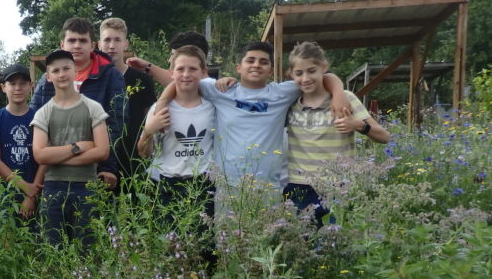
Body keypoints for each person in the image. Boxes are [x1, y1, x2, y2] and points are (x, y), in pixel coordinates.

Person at [144, 41, 349, 197]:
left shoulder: (284, 92)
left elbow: (324, 76)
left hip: (269, 186)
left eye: (263, 62)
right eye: (250, 60)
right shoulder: (221, 89)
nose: (256, 65)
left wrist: (338, 92)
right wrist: (161, 102)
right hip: (227, 186)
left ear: (271, 69)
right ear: (238, 67)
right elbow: (182, 80)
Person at [285, 41, 390, 226]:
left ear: (323, 68)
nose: (305, 78)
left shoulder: (345, 99)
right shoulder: (291, 102)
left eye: (311, 71)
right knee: (303, 242)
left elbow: (384, 137)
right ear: (291, 74)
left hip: (337, 185)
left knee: (336, 241)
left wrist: (357, 125)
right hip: (298, 184)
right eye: (298, 73)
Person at [136, 44, 217, 267]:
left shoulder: (213, 107)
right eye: (180, 69)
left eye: (192, 69)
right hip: (166, 187)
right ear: (171, 73)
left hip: (202, 185)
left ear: (203, 72)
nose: (186, 74)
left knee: (204, 252)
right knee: (170, 254)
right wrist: (148, 130)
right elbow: (143, 153)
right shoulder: (159, 108)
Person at [30, 17, 125, 190]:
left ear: (93, 45)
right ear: (62, 44)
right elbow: (35, 120)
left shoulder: (111, 76)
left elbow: (116, 124)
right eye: (71, 40)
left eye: (83, 40)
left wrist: (108, 167)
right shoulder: (47, 80)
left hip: (94, 167)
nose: (77, 45)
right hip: (53, 169)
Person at [31, 50, 111, 247]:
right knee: (54, 249)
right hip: (53, 187)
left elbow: (102, 151)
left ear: (76, 70)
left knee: (87, 249)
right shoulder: (43, 113)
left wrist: (56, 157)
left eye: (66, 68)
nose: (62, 74)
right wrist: (78, 147)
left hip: (86, 187)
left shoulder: (93, 108)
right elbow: (39, 154)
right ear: (48, 77)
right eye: (55, 71)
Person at [98, 17, 156, 184]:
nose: (112, 45)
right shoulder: (94, 81)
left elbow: (149, 118)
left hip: (135, 160)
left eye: (117, 40)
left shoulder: (142, 80)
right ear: (98, 44)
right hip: (103, 162)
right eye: (107, 40)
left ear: (126, 44)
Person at [0, 64, 42, 219]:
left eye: (23, 83)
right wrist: (25, 187)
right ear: (3, 87)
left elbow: (45, 159)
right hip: (4, 195)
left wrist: (31, 196)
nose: (18, 88)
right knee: (5, 241)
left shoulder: (40, 118)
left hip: (36, 193)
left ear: (31, 86)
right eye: (12, 83)